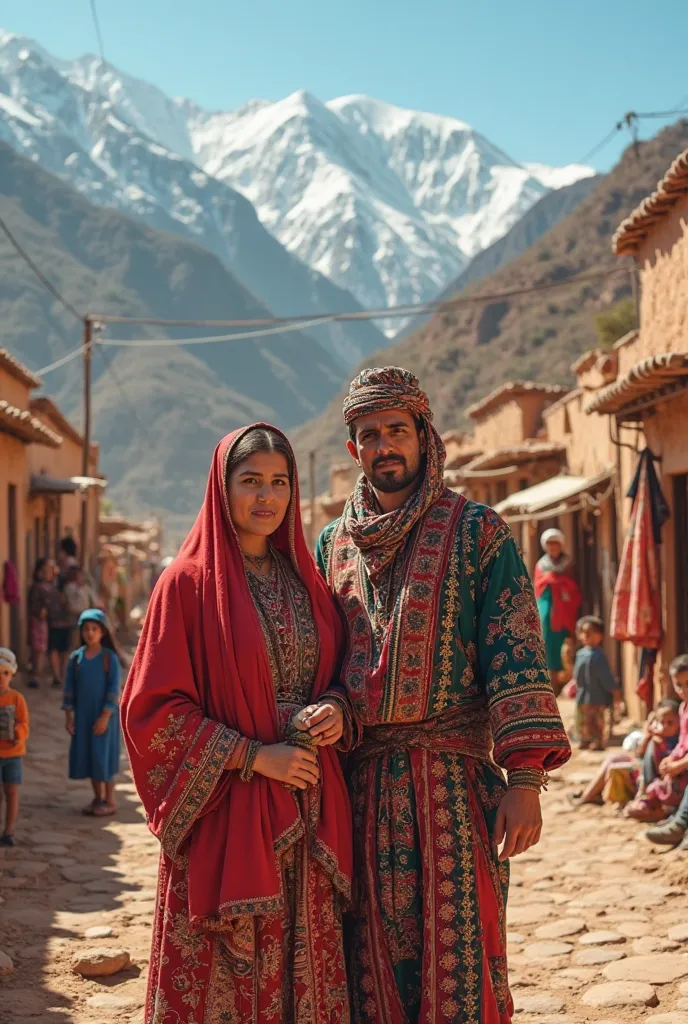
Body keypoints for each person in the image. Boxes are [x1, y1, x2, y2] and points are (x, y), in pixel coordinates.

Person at [315, 367, 571, 1024]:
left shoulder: (477, 531)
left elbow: (516, 648)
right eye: (369, 434)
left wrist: (525, 779)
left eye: (396, 430)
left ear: (424, 435)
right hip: (361, 788)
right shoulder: (330, 545)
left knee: (464, 963)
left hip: (455, 790)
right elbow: (315, 664)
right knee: (365, 966)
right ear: (353, 448)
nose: (384, 446)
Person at [121, 425, 355, 1023]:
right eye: (250, 481)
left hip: (305, 808)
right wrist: (252, 755)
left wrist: (334, 708)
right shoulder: (187, 585)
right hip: (229, 809)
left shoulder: (305, 582)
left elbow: (333, 670)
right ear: (221, 489)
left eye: (280, 482)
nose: (266, 497)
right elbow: (153, 710)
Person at [569, 699, 681, 809]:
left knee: (615, 768)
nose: (665, 726)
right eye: (662, 723)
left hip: (648, 777)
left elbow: (657, 768)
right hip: (641, 765)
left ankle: (589, 796)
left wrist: (656, 743)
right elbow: (640, 754)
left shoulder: (678, 741)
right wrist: (648, 737)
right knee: (612, 758)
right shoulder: (658, 737)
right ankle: (589, 793)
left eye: (670, 723)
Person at [63, 609, 122, 817]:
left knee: (103, 756)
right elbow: (69, 689)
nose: (90, 633)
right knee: (89, 756)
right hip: (84, 715)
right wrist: (69, 717)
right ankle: (97, 798)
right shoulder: (75, 659)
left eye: (94, 629)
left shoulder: (109, 658)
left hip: (104, 717)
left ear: (102, 632)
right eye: (86, 629)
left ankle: (110, 800)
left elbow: (114, 689)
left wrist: (105, 716)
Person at [644, 655, 688, 851]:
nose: (684, 690)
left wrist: (679, 764)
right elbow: (682, 742)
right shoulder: (682, 708)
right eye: (679, 685)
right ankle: (672, 816)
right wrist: (671, 759)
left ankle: (679, 826)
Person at [534, 528, 581, 694]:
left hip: (565, 610)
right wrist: (551, 580)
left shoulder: (569, 563)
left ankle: (569, 682)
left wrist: (558, 581)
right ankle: (551, 683)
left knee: (567, 644)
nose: (553, 548)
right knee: (547, 644)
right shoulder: (541, 565)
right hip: (547, 610)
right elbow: (538, 586)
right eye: (549, 544)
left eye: (555, 544)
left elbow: (574, 586)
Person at [572, 616, 621, 751]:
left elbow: (606, 677)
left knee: (597, 721)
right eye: (584, 632)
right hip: (582, 695)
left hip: (597, 696)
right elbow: (576, 675)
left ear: (600, 636)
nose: (587, 636)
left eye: (591, 632)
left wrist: (614, 690)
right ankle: (584, 739)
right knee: (582, 720)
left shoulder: (599, 656)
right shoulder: (580, 654)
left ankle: (597, 741)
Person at [0, 648, 29, 846]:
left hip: (13, 753)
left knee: (11, 792)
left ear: (12, 674)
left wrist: (17, 734)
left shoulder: (16, 698)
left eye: (5, 673)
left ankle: (8, 830)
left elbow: (24, 723)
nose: (1, 677)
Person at [27, 557, 55, 689]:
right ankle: (34, 676)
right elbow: (36, 606)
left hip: (43, 623)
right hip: (38, 622)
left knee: (41, 649)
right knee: (37, 649)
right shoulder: (38, 588)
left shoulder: (48, 587)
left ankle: (37, 675)